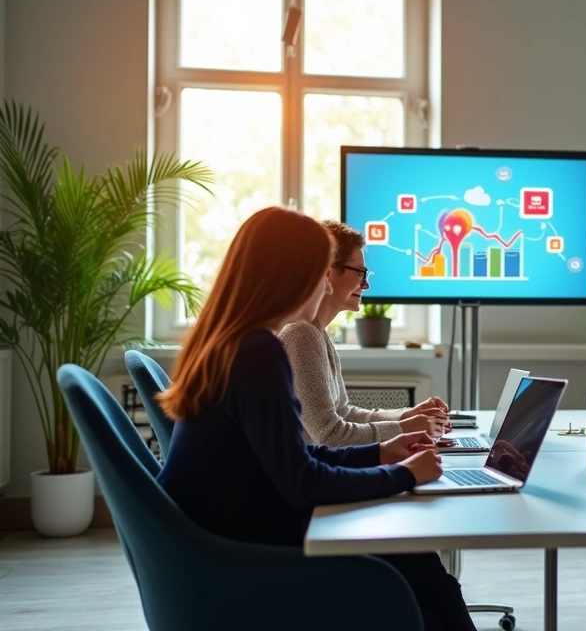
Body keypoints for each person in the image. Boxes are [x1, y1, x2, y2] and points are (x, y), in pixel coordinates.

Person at [156, 207, 476, 631]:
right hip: (242, 557)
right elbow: (302, 480)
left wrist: (382, 451)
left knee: (423, 572)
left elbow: (295, 457)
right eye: (319, 272)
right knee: (427, 584)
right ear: (293, 275)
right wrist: (403, 475)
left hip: (223, 541)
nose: (326, 283)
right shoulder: (259, 351)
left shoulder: (231, 342)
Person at [280, 221, 451, 446]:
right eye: (360, 272)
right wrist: (403, 429)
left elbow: (343, 413)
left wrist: (405, 415)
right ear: (328, 272)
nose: (366, 284)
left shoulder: (317, 334)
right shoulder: (301, 336)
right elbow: (330, 436)